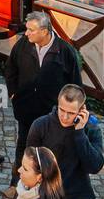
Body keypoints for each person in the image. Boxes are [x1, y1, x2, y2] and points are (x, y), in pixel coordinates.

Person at [5, 12, 82, 183]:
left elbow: (75, 84)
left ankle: (48, 185)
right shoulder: (23, 45)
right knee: (24, 146)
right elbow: (11, 69)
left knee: (50, 150)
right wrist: (13, 94)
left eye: (31, 30)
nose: (26, 33)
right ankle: (17, 182)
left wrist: (74, 110)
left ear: (45, 31)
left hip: (51, 113)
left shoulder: (64, 52)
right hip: (26, 109)